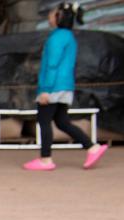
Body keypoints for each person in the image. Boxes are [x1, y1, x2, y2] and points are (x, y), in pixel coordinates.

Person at [24, 2, 108, 171]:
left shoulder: (56, 38)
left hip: (53, 86)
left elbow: (52, 65)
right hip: (65, 86)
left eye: (52, 13)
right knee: (62, 122)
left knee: (44, 120)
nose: (49, 16)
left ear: (59, 17)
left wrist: (45, 89)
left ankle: (45, 159)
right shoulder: (69, 37)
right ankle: (92, 147)